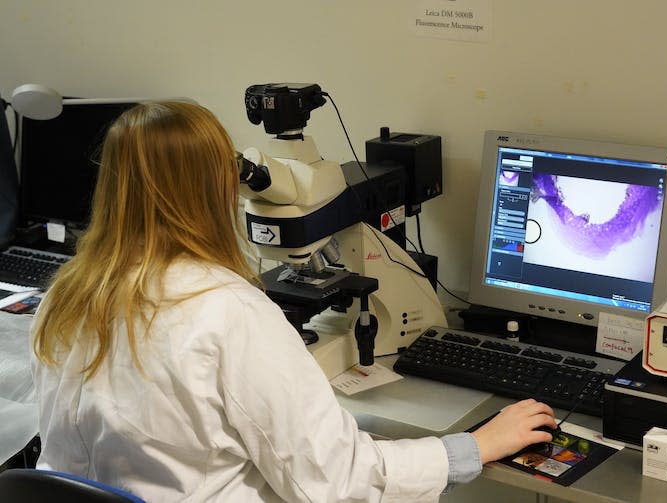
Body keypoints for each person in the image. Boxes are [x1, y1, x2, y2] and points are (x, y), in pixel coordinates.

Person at [31, 101, 557, 502]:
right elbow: (334, 479)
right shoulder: (227, 312)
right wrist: (474, 447)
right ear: (218, 188)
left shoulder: (66, 295)